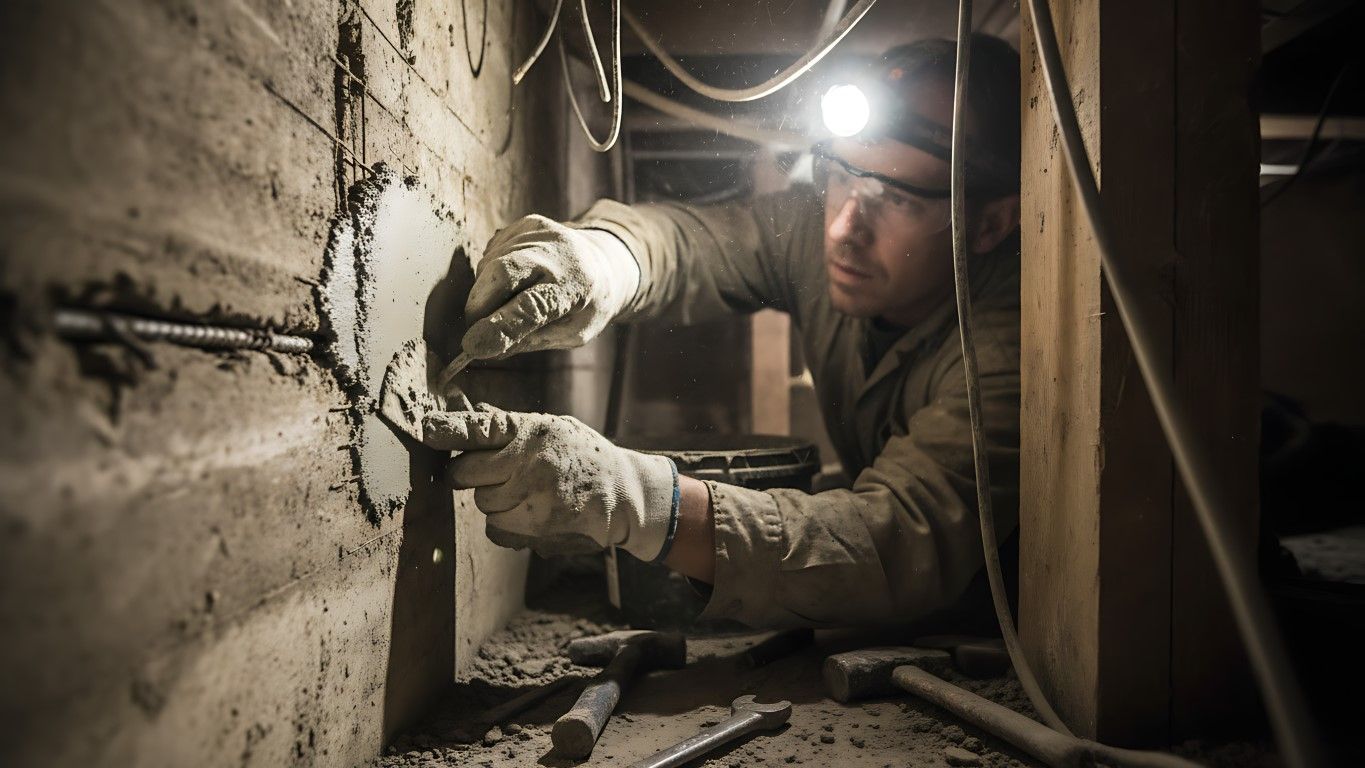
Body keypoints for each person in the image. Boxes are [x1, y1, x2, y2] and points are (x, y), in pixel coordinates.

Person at [420, 35, 1023, 629]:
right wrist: (603, 261)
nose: (844, 227)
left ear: (989, 224)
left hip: (978, 626)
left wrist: (641, 503)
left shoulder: (1011, 358)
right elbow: (696, 245)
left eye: (896, 199)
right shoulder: (827, 232)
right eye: (841, 173)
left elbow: (894, 540)